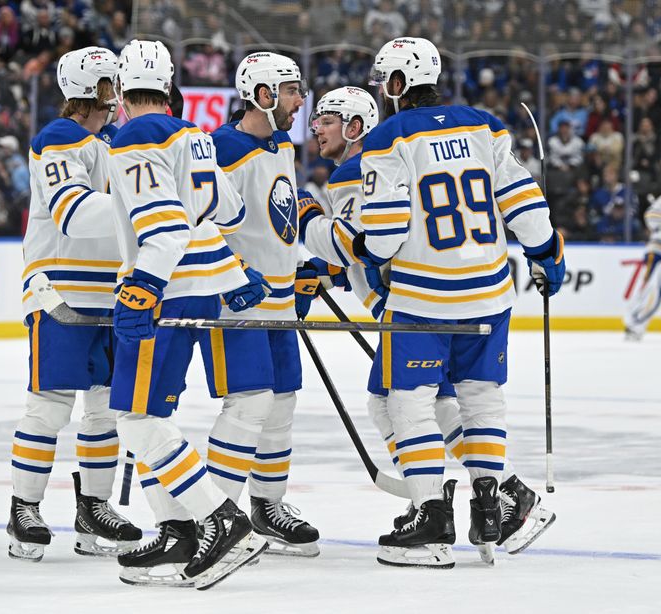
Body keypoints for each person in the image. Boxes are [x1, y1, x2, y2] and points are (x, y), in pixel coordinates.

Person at [299, 85, 556, 563]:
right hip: (474, 292)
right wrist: (329, 271)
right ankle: (502, 498)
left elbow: (368, 244)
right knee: (452, 404)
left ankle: (438, 509)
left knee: (398, 405)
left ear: (356, 126)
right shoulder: (450, 138)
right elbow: (366, 253)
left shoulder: (360, 169)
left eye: (328, 120)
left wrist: (311, 226)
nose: (317, 128)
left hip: (418, 305)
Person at [107, 39, 267, 588]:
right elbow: (230, 209)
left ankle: (218, 519)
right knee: (153, 415)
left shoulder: (132, 137)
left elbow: (166, 226)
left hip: (166, 289)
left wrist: (141, 288)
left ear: (124, 92)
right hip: (203, 286)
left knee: (136, 418)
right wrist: (232, 270)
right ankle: (176, 533)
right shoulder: (195, 134)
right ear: (170, 83)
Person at [9, 46, 141, 562]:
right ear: (94, 89)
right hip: (61, 294)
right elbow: (76, 215)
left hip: (110, 294)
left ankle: (94, 510)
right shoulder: (60, 138)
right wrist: (150, 207)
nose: (119, 94)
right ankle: (24, 509)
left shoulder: (113, 141)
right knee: (49, 406)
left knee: (105, 410)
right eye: (113, 84)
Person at [202, 51, 320, 557]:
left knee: (281, 406)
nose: (301, 100)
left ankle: (267, 508)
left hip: (279, 304)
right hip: (238, 304)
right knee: (248, 406)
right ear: (264, 94)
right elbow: (199, 219)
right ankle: (217, 516)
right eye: (293, 90)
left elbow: (279, 221)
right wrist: (228, 276)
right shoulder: (222, 148)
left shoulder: (281, 147)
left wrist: (303, 263)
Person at [625, 196, 661, 340]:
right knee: (647, 288)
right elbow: (650, 215)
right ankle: (633, 323)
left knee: (657, 293)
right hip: (656, 250)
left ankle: (635, 325)